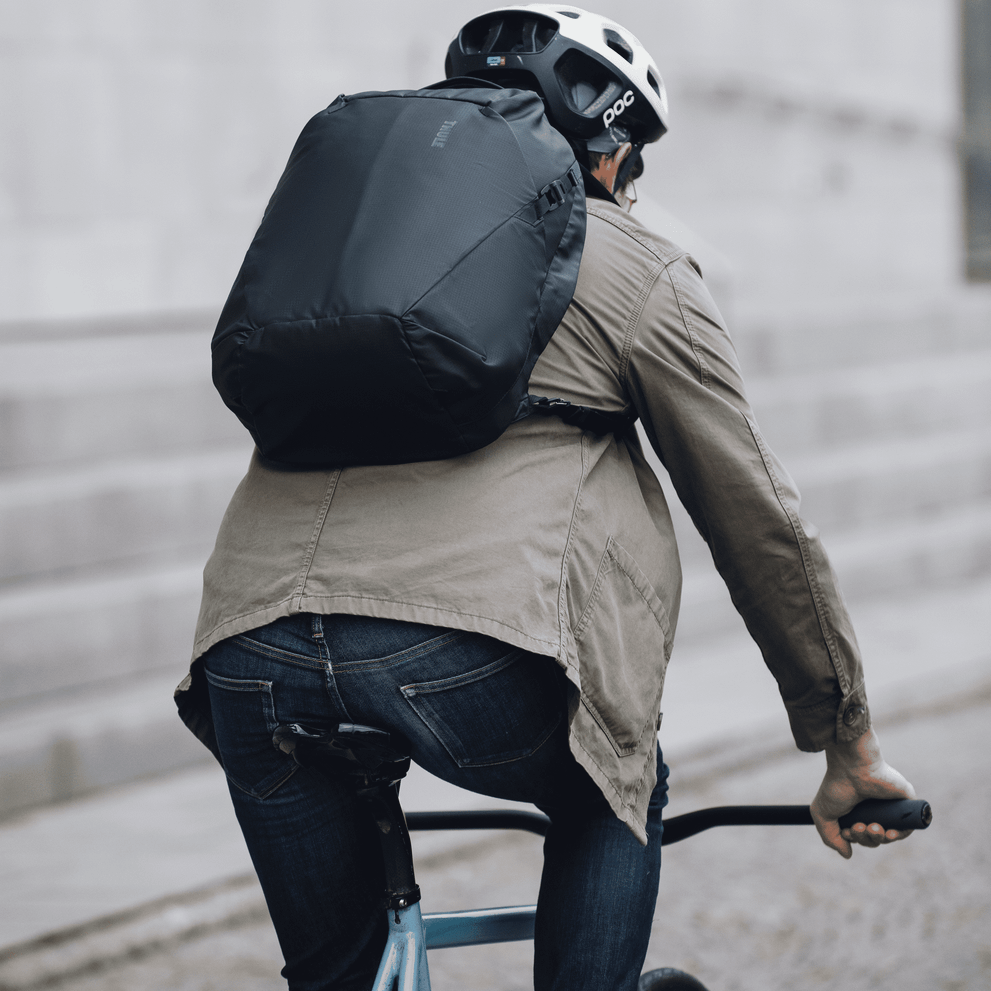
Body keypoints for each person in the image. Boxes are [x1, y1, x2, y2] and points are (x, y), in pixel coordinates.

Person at [176, 5, 916, 990]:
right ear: (608, 150)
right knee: (611, 785)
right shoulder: (631, 259)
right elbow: (759, 523)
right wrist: (846, 743)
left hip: (248, 654)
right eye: (634, 165)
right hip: (472, 658)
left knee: (335, 977)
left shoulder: (353, 250)